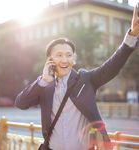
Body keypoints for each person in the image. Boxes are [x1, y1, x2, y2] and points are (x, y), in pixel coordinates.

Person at [15, 5, 139, 150]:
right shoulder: (44, 86)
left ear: (74, 59)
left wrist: (131, 37)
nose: (64, 60)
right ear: (50, 60)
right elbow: (21, 103)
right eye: (59, 55)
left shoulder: (86, 79)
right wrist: (43, 80)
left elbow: (112, 67)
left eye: (68, 55)